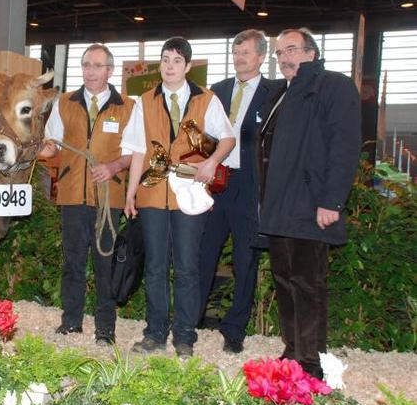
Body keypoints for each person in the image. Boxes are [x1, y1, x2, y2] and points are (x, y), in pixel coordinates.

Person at [123, 37, 235, 357]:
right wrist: (131, 194)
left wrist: (212, 162)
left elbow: (227, 139)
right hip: (153, 193)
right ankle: (155, 331)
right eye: (164, 60)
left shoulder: (206, 99)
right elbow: (137, 151)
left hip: (190, 194)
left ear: (188, 66)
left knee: (187, 266)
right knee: (156, 266)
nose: (169, 66)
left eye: (176, 60)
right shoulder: (144, 101)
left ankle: (185, 334)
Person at [258, 28, 360, 378]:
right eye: (279, 53)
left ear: (311, 53)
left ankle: (312, 361)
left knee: (307, 281)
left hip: (311, 204)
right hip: (279, 206)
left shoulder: (334, 85)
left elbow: (344, 147)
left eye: (291, 50)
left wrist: (332, 200)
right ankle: (293, 350)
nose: (284, 58)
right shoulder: (282, 93)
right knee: (284, 279)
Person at [38, 43, 135, 346]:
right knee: (73, 262)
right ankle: (71, 323)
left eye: (97, 66)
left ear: (110, 70)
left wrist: (113, 166)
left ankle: (105, 328)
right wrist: (40, 149)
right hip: (71, 195)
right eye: (86, 65)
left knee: (105, 264)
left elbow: (136, 152)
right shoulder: (64, 102)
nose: (90, 72)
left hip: (109, 198)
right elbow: (53, 144)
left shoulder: (128, 107)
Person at [198, 29, 284, 353]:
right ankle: (189, 322)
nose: (239, 58)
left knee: (245, 261)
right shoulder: (216, 91)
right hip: (215, 183)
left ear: (261, 57)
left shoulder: (274, 92)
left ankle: (234, 330)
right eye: (236, 53)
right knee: (203, 254)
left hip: (250, 185)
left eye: (246, 53)